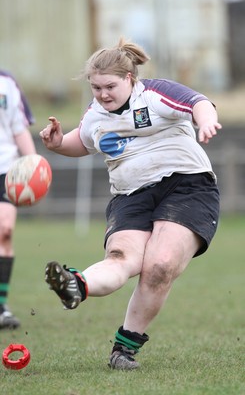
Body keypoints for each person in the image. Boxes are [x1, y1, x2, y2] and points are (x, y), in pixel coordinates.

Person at [40, 38, 221, 370]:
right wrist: (57, 144)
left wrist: (206, 120)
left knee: (160, 264)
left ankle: (124, 348)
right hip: (131, 195)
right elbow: (81, 141)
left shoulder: (153, 95)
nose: (103, 94)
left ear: (129, 78)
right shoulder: (96, 115)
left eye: (110, 86)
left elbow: (198, 102)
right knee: (121, 259)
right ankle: (75, 285)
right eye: (96, 88)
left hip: (186, 185)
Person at [0, 70, 36, 329]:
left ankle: (1, 308)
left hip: (5, 168)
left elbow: (17, 128)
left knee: (5, 230)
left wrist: (34, 163)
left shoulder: (7, 83)